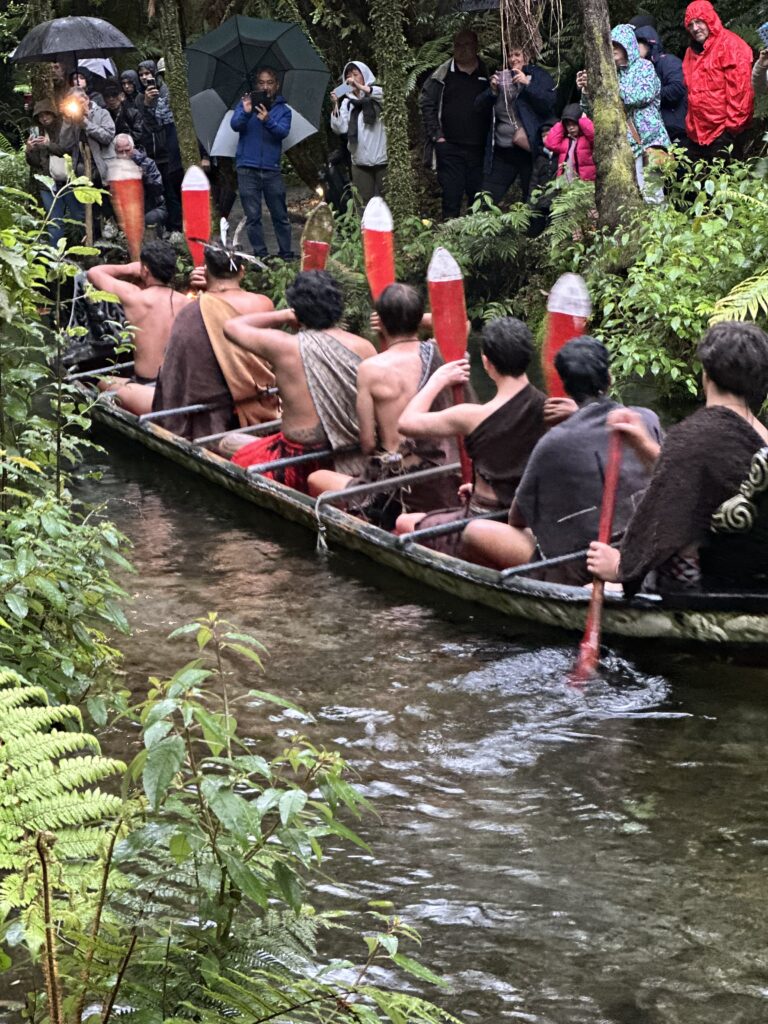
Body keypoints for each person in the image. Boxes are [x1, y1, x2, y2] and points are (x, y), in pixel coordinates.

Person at [462, 336, 662, 584]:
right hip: (646, 551)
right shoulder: (647, 418)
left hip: (587, 566)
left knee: (473, 531)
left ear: (566, 387)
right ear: (609, 377)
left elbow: (517, 519)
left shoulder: (553, 443)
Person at [587, 322, 768, 596]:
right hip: (753, 577)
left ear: (706, 375)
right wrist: (643, 444)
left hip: (704, 584)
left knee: (592, 586)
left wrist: (620, 567)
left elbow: (663, 518)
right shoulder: (762, 435)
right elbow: (699, 478)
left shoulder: (693, 437)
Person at [307, 284, 461, 528]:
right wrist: (412, 318)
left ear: (383, 322)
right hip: (446, 477)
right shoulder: (441, 352)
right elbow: (460, 324)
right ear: (419, 318)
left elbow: (368, 444)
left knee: (317, 478)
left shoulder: (370, 369)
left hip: (397, 480)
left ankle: (360, 525)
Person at [393, 316, 547, 555]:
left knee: (403, 522)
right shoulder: (550, 408)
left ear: (487, 363)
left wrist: (438, 379)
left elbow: (406, 423)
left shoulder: (472, 416)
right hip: (525, 515)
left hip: (484, 516)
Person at [222, 271, 376, 491]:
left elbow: (232, 327)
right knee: (238, 442)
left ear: (297, 310)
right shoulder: (365, 346)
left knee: (231, 446)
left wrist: (285, 315)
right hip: (352, 450)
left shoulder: (284, 346)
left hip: (297, 461)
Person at [149, 245, 277, 438]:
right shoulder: (264, 304)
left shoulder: (191, 311)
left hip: (210, 412)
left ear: (206, 271)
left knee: (123, 389)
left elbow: (174, 373)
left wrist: (202, 293)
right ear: (242, 272)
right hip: (255, 401)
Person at [578, 26, 670, 201]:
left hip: (649, 144)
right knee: (631, 200)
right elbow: (593, 112)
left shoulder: (644, 67)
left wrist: (604, 86)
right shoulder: (610, 75)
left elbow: (641, 95)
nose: (612, 49)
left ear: (628, 45)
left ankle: (660, 229)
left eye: (617, 44)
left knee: (653, 197)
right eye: (609, 45)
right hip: (625, 148)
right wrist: (587, 89)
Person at [87, 240, 189, 391]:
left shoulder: (134, 297)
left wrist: (128, 269)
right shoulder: (187, 303)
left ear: (145, 270)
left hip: (147, 386)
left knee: (102, 382)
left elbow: (94, 273)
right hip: (177, 387)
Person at [419, 30, 492, 219]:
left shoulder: (487, 72)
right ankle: (450, 240)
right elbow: (426, 101)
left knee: (479, 197)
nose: (462, 50)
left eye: (466, 45)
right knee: (451, 196)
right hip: (450, 147)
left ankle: (475, 240)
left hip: (479, 149)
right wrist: (437, 136)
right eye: (458, 45)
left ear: (476, 47)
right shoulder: (442, 74)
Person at [475, 44, 557, 204]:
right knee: (487, 196)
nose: (513, 59)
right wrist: (492, 92)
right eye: (510, 55)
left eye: (517, 54)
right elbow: (478, 107)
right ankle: (482, 226)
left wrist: (527, 84)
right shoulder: (501, 78)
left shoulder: (538, 75)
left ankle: (533, 229)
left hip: (530, 151)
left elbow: (549, 104)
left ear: (527, 55)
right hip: (503, 150)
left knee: (534, 198)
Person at [231, 68, 293, 260]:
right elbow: (235, 125)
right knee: (253, 216)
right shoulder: (246, 104)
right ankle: (261, 254)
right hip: (246, 167)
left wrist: (268, 120)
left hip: (271, 169)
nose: (265, 86)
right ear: (256, 85)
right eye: (261, 82)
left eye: (269, 82)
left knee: (280, 215)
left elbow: (283, 132)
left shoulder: (284, 111)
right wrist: (246, 113)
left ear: (276, 85)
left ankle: (286, 254)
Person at [681, 1, 754, 160]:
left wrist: (731, 130)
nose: (695, 28)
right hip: (697, 135)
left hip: (724, 132)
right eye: (691, 24)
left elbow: (741, 93)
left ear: (710, 20)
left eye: (699, 21)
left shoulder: (731, 45)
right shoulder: (690, 52)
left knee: (727, 181)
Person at [25, 98, 84, 246]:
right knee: (54, 222)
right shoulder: (38, 132)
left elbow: (68, 151)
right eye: (40, 116)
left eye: (47, 114)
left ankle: (88, 247)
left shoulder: (65, 127)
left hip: (68, 182)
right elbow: (36, 163)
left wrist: (48, 144)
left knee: (79, 216)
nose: (44, 118)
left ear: (53, 114)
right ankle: (55, 257)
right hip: (48, 184)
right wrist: (29, 150)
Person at [330, 60, 387, 205]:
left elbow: (384, 96)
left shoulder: (375, 96)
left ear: (364, 76)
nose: (352, 79)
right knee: (363, 204)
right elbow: (340, 128)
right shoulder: (347, 102)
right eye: (348, 76)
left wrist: (361, 87)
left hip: (383, 160)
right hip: (360, 162)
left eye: (356, 74)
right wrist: (335, 104)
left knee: (388, 202)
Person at [137, 60, 183, 231]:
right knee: (166, 194)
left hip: (173, 151)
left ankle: (180, 228)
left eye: (148, 73)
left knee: (177, 192)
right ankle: (173, 229)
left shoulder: (169, 93)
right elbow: (152, 126)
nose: (145, 77)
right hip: (154, 154)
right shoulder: (142, 97)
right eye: (141, 74)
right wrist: (147, 105)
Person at [633, 26, 688, 143]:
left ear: (648, 43)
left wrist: (649, 95)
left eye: (636, 44)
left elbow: (677, 88)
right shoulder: (637, 71)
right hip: (654, 133)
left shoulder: (668, 61)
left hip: (676, 128)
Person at [58, 88, 116, 189]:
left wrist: (85, 122)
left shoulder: (102, 113)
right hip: (82, 173)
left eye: (78, 102)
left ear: (87, 99)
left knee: (106, 203)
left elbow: (107, 137)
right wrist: (67, 121)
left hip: (103, 170)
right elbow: (65, 146)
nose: (77, 106)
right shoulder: (72, 119)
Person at [113, 134, 167, 229]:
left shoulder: (148, 163)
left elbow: (159, 189)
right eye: (120, 152)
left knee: (149, 219)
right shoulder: (114, 167)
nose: (124, 155)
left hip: (153, 207)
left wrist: (144, 176)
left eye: (127, 150)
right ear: (115, 152)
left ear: (133, 148)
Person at [543, 104, 596, 182]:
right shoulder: (566, 142)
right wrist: (562, 123)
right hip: (566, 184)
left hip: (585, 184)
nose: (571, 127)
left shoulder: (587, 140)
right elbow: (551, 144)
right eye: (568, 125)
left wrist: (583, 120)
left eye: (574, 124)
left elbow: (594, 135)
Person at [102, 79, 145, 148]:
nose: (111, 99)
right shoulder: (103, 115)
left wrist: (121, 140)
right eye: (107, 96)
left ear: (122, 96)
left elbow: (138, 134)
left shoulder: (133, 113)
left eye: (114, 95)